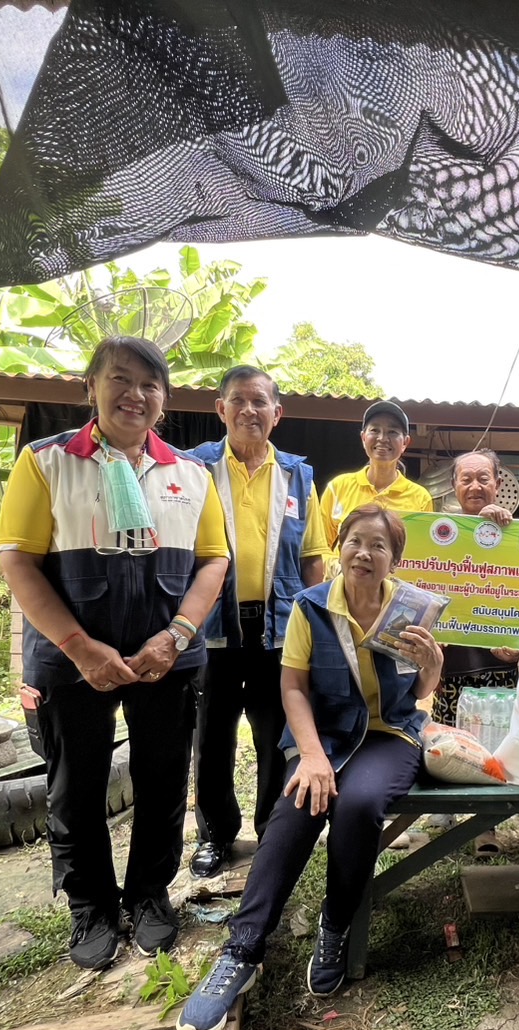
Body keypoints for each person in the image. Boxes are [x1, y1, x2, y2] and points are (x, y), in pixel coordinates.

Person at [0, 336, 230, 970]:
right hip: (69, 660)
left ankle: (150, 895)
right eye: (120, 380)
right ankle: (91, 907)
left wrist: (176, 635)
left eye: (150, 384)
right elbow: (17, 560)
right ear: (91, 388)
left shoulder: (191, 474)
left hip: (166, 658)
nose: (136, 394)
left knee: (163, 780)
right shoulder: (46, 462)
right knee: (76, 786)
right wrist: (78, 646)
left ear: (164, 400)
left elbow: (214, 560)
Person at [176, 505, 444, 1030]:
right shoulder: (310, 606)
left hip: (388, 734)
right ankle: (241, 950)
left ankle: (336, 922)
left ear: (394, 558)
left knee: (359, 804)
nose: (364, 553)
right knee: (298, 805)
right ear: (340, 546)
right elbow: (293, 688)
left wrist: (433, 668)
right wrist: (313, 756)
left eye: (379, 545)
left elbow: (416, 692)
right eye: (355, 541)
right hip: (323, 734)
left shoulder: (413, 609)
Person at [185, 365, 330, 880]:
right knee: (213, 734)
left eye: (260, 401)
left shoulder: (297, 476)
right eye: (238, 400)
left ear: (277, 413)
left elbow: (312, 558)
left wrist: (316, 627)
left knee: (274, 734)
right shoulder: (195, 468)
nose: (249, 410)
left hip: (279, 628)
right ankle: (215, 834)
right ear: (220, 409)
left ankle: (272, 830)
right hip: (212, 625)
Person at [427, 450, 519, 854]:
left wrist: (518, 645)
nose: (475, 486)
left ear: (498, 483)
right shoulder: (439, 533)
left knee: (493, 744)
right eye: (466, 478)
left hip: (496, 664)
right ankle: (443, 809)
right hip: (450, 664)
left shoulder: (515, 535)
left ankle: (487, 826)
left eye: (483, 478)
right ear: (453, 486)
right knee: (448, 740)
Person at [318, 400, 434, 547]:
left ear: (405, 443)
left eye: (392, 432)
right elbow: (320, 546)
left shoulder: (420, 498)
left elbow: (421, 550)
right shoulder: (338, 487)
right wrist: (338, 561)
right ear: (363, 438)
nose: (382, 438)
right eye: (374, 430)